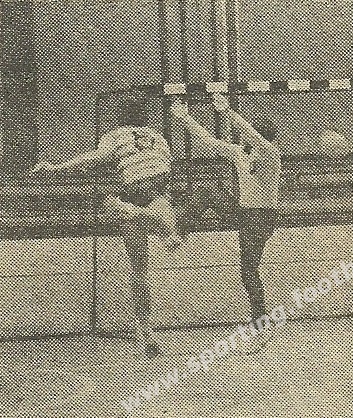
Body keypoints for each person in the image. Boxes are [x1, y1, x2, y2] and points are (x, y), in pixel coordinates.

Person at [31, 97, 181, 358]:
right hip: (156, 188)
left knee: (139, 268)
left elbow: (93, 159)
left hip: (133, 190)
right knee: (167, 218)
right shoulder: (159, 137)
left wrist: (57, 168)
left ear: (121, 119)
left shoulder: (115, 135)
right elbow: (166, 169)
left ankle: (144, 326)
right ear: (145, 118)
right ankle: (164, 229)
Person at [171, 94, 281, 354]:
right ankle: (179, 231)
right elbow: (208, 142)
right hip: (243, 213)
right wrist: (185, 118)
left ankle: (261, 325)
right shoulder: (241, 153)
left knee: (248, 271)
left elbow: (254, 137)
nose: (246, 138)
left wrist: (227, 112)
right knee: (207, 190)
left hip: (261, 217)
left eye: (252, 135)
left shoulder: (271, 154)